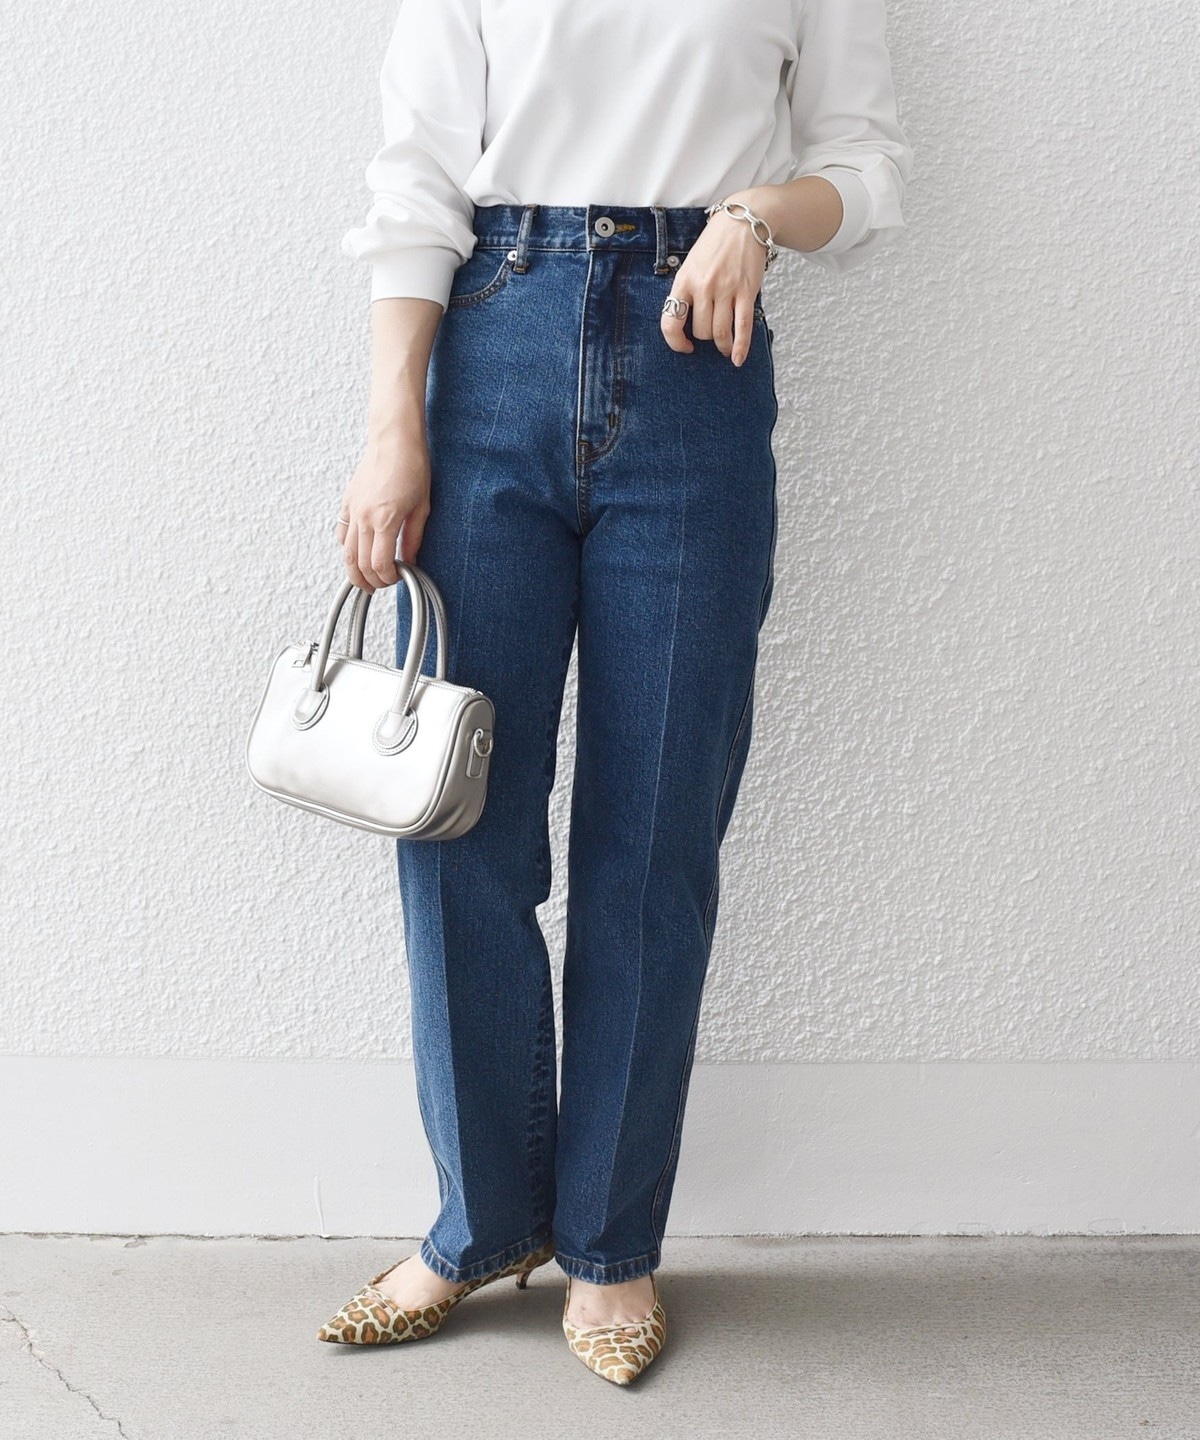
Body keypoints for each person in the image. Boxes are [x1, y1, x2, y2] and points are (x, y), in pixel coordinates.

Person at [316, 0, 913, 1386]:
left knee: (653, 841)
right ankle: (480, 1225)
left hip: (698, 369)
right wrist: (393, 426)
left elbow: (869, 169)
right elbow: (419, 179)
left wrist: (757, 212)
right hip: (490, 356)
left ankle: (608, 1243)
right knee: (455, 822)